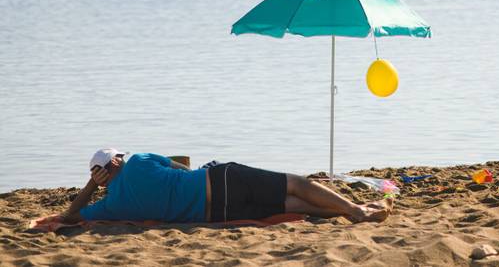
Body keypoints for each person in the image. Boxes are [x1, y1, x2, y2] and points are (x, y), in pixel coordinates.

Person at [53, 149, 392, 225]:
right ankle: (355, 210)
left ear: (99, 177)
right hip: (220, 180)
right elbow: (183, 167)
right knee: (298, 184)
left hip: (217, 212)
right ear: (119, 161)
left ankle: (348, 213)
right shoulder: (140, 160)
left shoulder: (110, 206)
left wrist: (90, 186)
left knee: (291, 205)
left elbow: (70, 216)